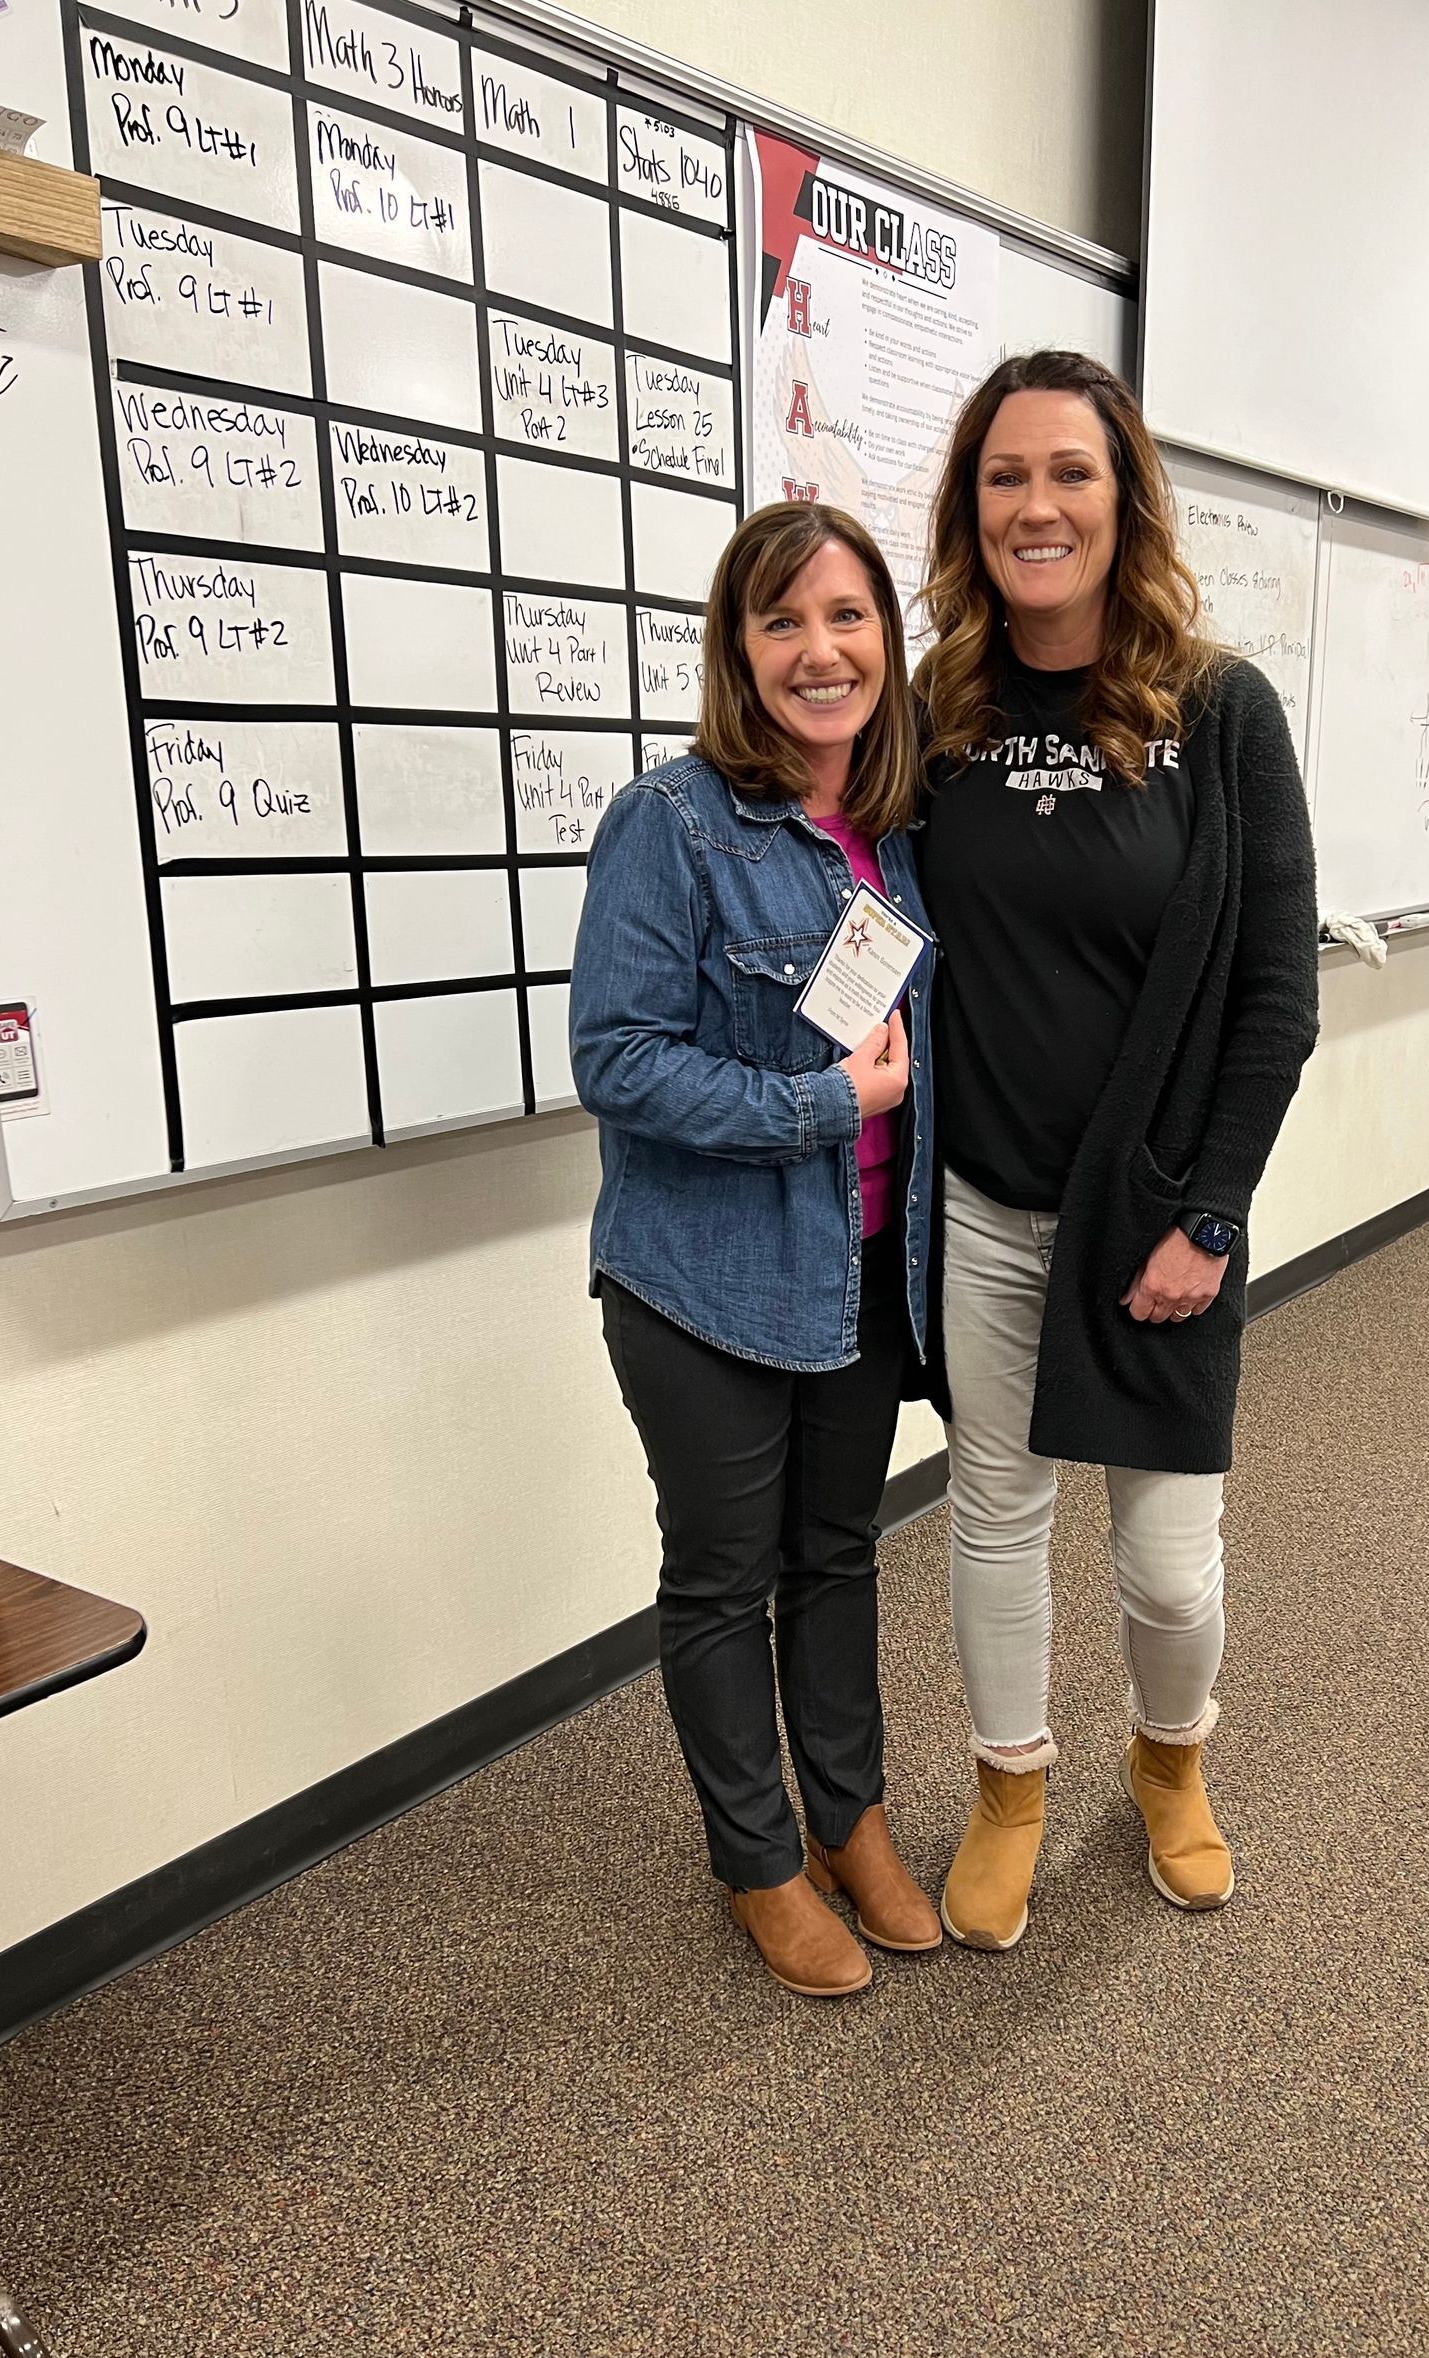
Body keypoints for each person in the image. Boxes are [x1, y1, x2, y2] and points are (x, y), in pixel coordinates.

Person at [914, 349, 1320, 1951]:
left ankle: (1170, 1763)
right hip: (986, 1209)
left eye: (1069, 473)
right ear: (972, 508)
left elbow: (1274, 998)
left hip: (1156, 1221)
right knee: (995, 1519)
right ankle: (1010, 1788)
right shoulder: (937, 705)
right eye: (1006, 477)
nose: (1037, 505)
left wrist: (1210, 1218)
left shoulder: (1218, 711)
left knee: (1166, 1562)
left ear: (1123, 497)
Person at [571, 502, 940, 1999]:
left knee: (838, 1553)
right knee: (724, 1578)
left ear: (886, 645)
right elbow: (618, 1058)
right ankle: (758, 1861)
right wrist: (816, 1102)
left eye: (848, 618)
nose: (819, 651)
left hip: (861, 1263)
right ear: (738, 648)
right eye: (781, 622)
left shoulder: (902, 832)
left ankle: (849, 1822)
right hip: (703, 1280)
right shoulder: (671, 823)